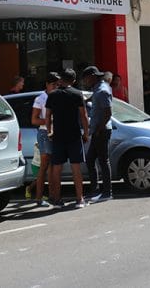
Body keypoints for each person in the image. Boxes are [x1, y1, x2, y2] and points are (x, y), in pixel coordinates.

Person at [45, 68, 89, 209]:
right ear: (74, 81)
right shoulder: (77, 94)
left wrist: (49, 131)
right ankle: (80, 199)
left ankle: (57, 199)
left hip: (58, 136)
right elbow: (83, 115)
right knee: (76, 167)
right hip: (74, 135)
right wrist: (86, 133)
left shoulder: (52, 95)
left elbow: (47, 116)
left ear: (61, 79)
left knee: (57, 168)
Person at [28, 71, 60, 206]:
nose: (56, 87)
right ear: (47, 84)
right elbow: (34, 120)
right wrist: (50, 121)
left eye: (58, 85)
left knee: (54, 166)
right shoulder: (40, 99)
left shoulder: (58, 96)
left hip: (56, 133)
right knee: (44, 166)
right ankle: (39, 198)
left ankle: (53, 196)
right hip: (44, 133)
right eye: (53, 84)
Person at [83, 65, 113, 203]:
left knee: (103, 161)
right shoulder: (98, 88)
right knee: (90, 159)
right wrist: (86, 100)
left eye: (86, 79)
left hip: (102, 130)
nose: (85, 81)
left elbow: (108, 112)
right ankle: (95, 190)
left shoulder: (102, 90)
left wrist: (99, 129)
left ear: (93, 77)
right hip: (98, 130)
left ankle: (107, 192)